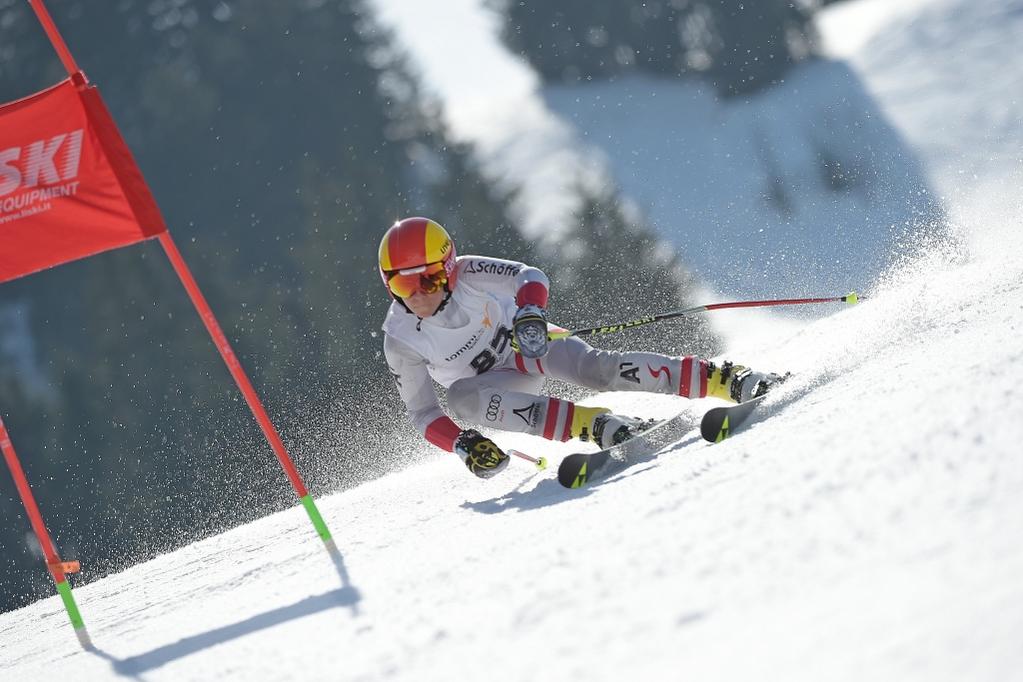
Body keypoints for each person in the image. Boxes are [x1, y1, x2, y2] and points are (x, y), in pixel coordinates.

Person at [379, 217, 782, 479]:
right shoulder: (400, 338)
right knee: (461, 397)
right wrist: (462, 444)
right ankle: (594, 425)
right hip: (497, 387)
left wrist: (530, 313)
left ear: (449, 268)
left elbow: (528, 275)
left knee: (595, 370)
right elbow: (423, 413)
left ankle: (724, 378)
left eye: (428, 280)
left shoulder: (471, 272)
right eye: (402, 284)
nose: (418, 295)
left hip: (528, 344)